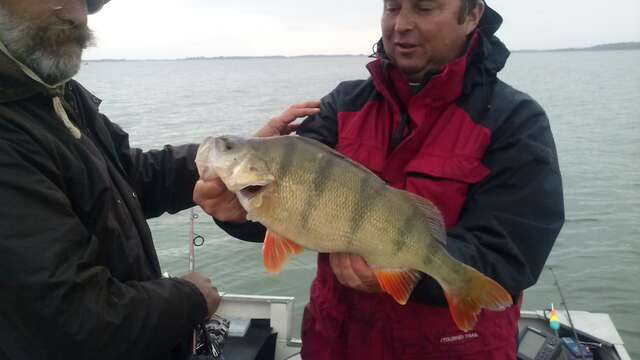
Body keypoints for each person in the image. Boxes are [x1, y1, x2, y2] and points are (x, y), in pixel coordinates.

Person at [195, 0, 565, 359]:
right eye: (392, 7)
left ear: (472, 15)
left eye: (424, 7)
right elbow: (289, 216)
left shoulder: (515, 123)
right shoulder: (342, 105)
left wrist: (413, 273)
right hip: (333, 343)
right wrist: (236, 212)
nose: (401, 24)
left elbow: (514, 250)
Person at [0, 1, 249, 359]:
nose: (74, 14)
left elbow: (127, 176)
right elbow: (73, 321)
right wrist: (190, 297)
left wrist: (233, 160)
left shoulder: (55, 94)